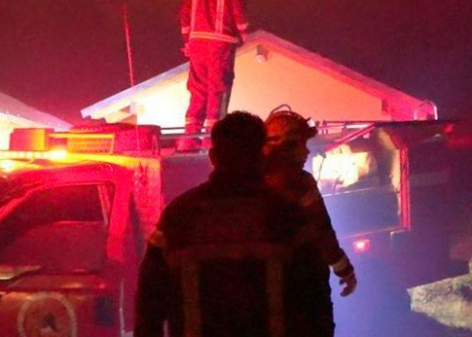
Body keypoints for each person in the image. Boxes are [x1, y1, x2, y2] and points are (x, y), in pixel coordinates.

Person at [135, 111, 331, 337]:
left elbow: (149, 303)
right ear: (261, 156)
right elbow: (316, 302)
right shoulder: (286, 216)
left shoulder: (179, 216)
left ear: (213, 157)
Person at [263, 110, 358, 308]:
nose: (306, 152)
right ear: (286, 145)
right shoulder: (300, 182)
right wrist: (344, 269)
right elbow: (321, 228)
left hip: (259, 283)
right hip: (296, 279)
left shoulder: (249, 178)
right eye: (302, 144)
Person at [179, 0, 249, 148]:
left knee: (198, 89)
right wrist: (243, 31)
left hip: (197, 42)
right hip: (220, 42)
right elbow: (237, 8)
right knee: (218, 88)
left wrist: (188, 39)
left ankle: (189, 139)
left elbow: (185, 11)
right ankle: (212, 140)